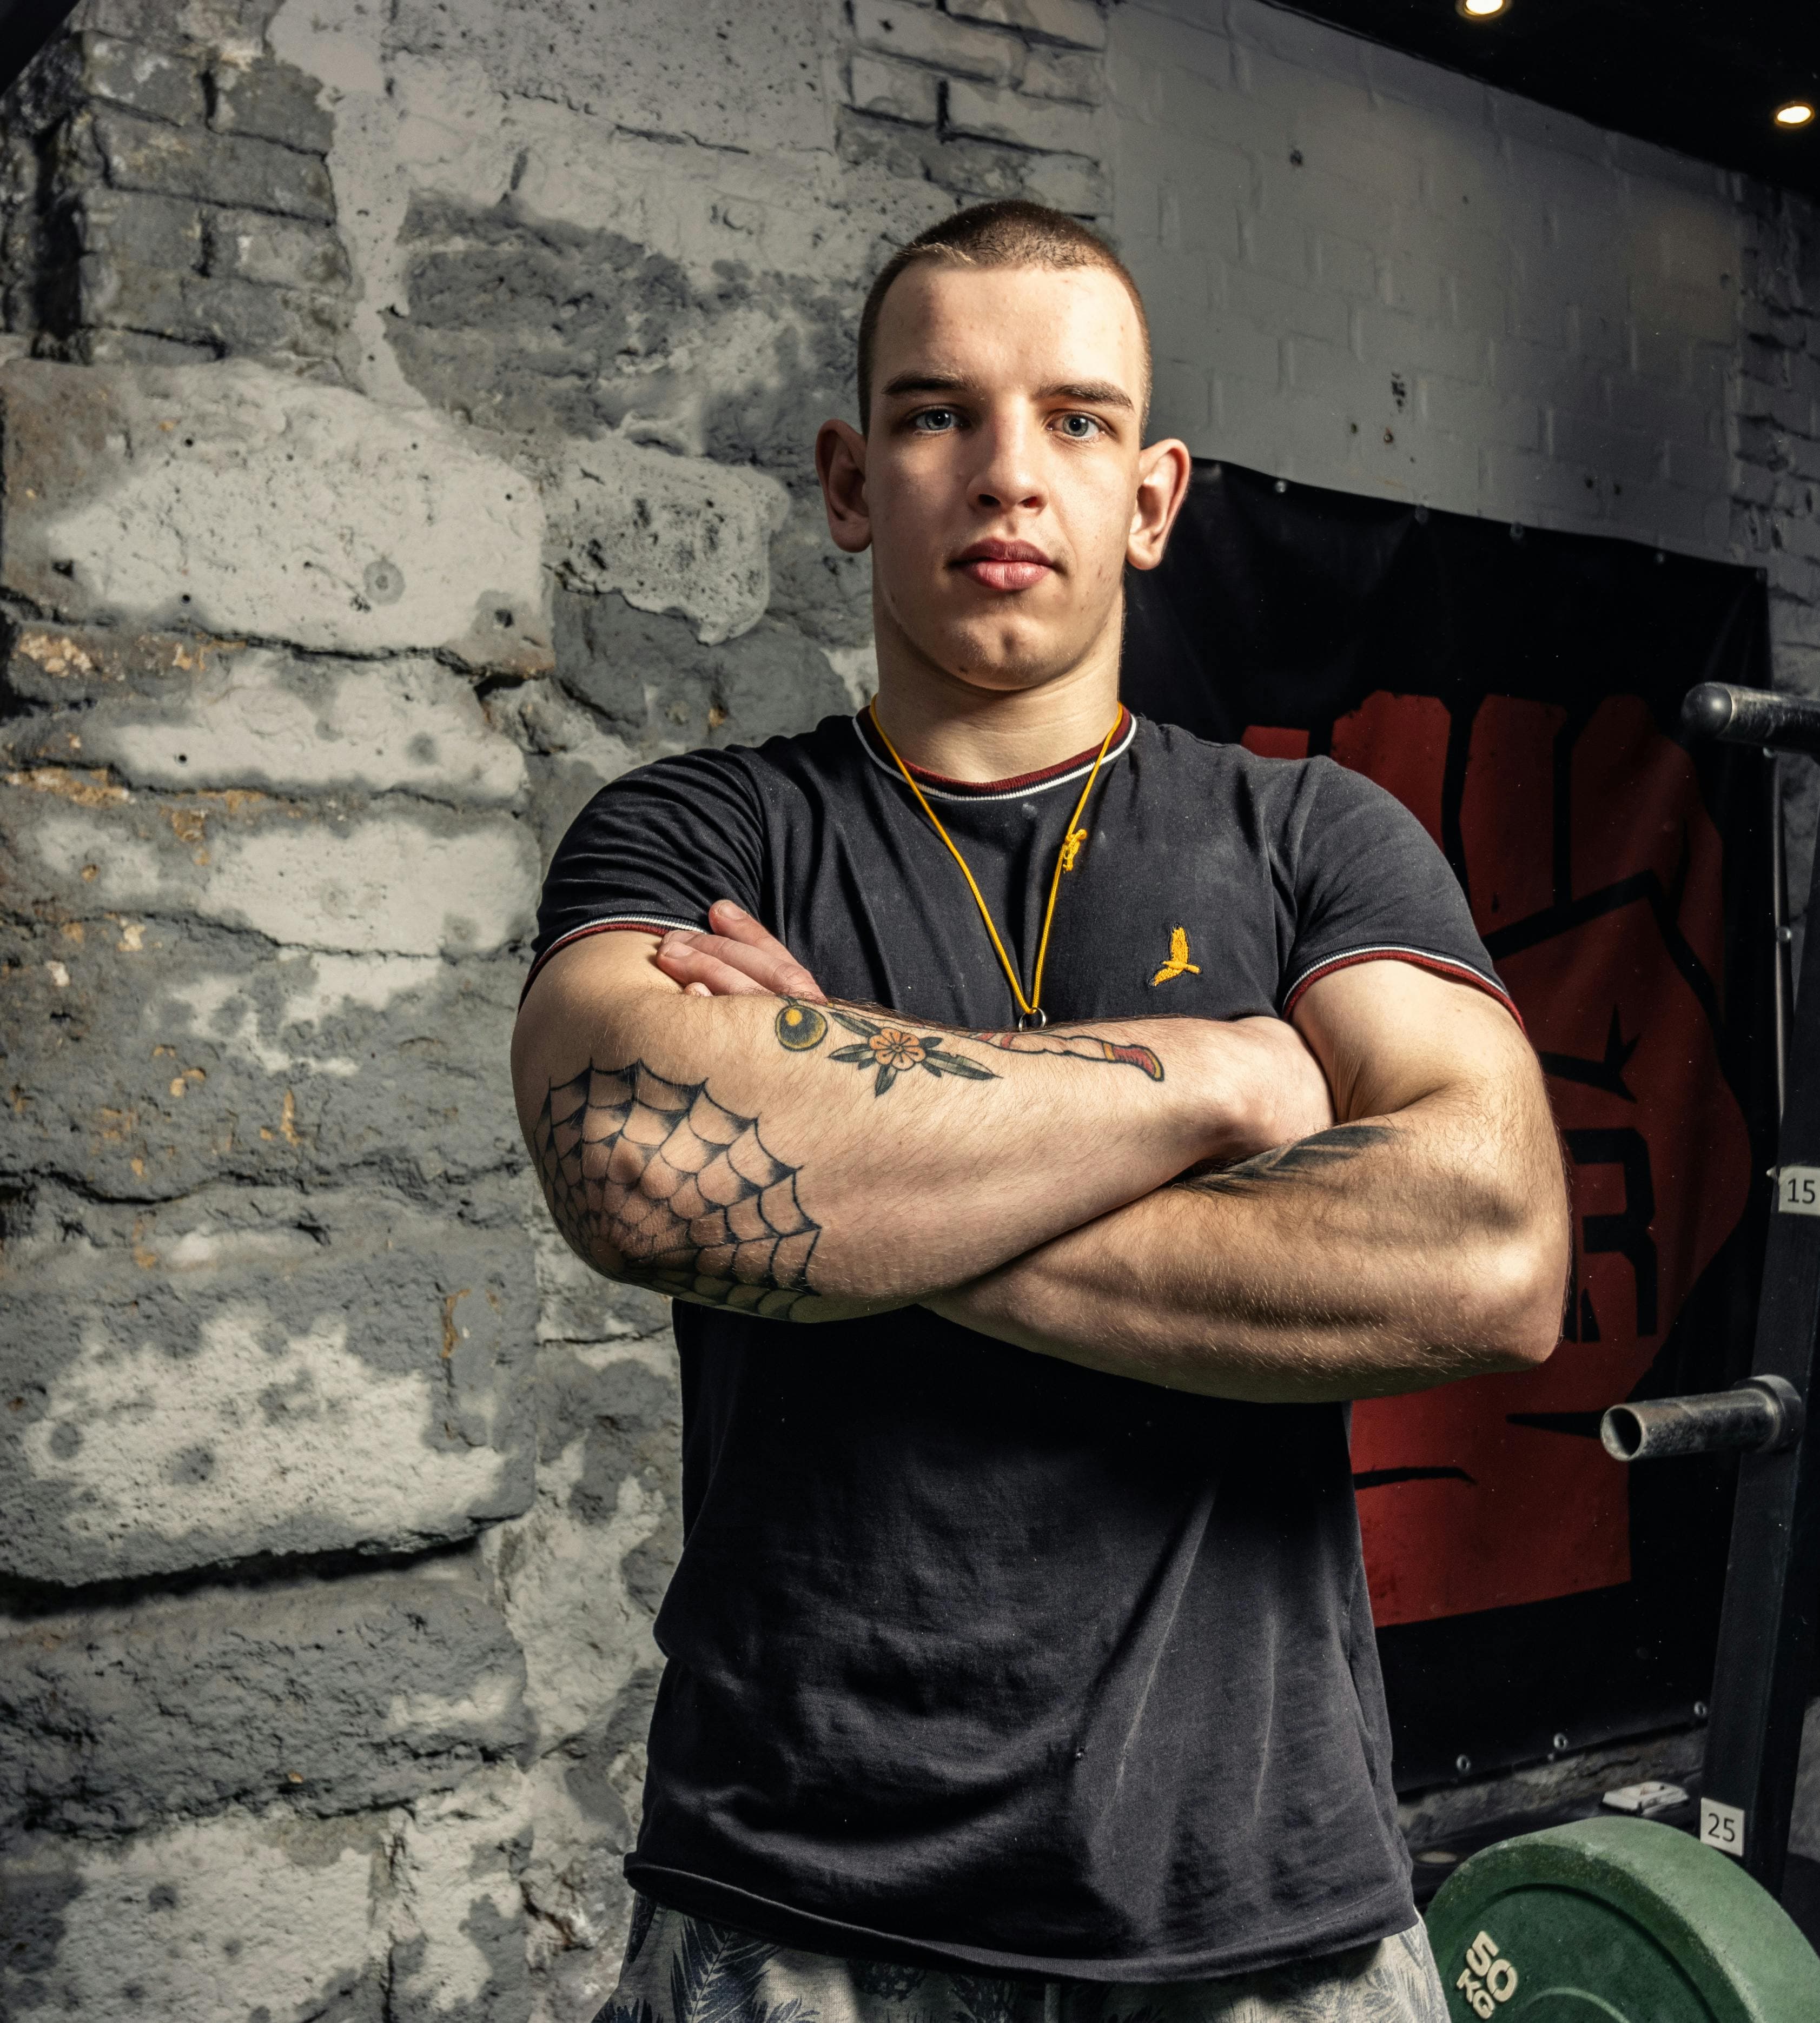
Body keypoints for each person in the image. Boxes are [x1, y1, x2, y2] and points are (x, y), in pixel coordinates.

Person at [513, 198, 1567, 2023]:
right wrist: (1221, 1075)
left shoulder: (1312, 839)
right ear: (851, 479)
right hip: (798, 1912)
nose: (1010, 473)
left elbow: (1489, 1251)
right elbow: (643, 1168)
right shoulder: (700, 834)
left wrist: (857, 1148)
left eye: (1076, 420)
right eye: (938, 416)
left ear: (1152, 500)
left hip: (1264, 1922)